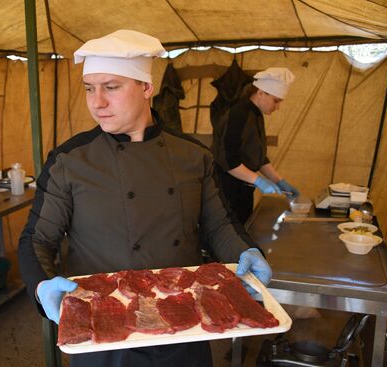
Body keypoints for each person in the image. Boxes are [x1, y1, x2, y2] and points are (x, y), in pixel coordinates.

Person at [17, 29, 272, 367]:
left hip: (186, 325)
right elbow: (37, 238)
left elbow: (219, 223)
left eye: (111, 87)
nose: (97, 102)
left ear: (146, 88)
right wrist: (41, 286)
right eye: (89, 88)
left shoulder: (193, 155)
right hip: (102, 332)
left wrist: (245, 250)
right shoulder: (70, 161)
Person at [214, 67, 300, 224]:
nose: (278, 107)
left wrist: (279, 180)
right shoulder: (239, 115)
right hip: (226, 191)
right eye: (276, 101)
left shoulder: (256, 115)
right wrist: (258, 181)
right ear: (261, 93)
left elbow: (257, 156)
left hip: (243, 190)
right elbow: (228, 159)